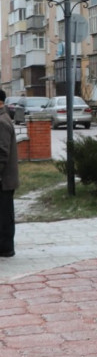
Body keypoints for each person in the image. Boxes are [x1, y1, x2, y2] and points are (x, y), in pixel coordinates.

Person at [0, 89, 19, 257]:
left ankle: (6, 248)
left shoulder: (1, 122)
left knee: (4, 216)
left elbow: (2, 153)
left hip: (3, 179)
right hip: (5, 178)